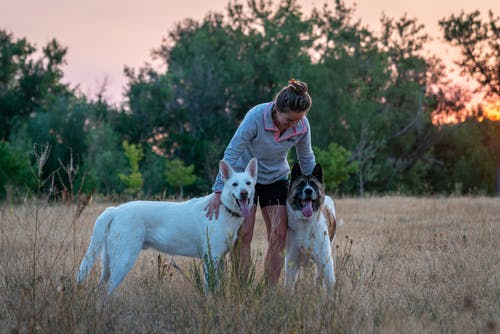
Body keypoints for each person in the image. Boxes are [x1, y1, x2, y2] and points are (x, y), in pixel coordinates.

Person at [204, 79, 316, 285]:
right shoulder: (256, 117)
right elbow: (232, 151)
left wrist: (316, 191)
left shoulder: (302, 125)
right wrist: (219, 190)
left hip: (276, 178)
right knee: (244, 235)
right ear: (276, 109)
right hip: (245, 178)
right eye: (289, 119)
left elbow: (306, 158)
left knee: (279, 233)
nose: (293, 124)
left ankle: (269, 292)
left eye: (298, 120)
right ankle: (242, 290)